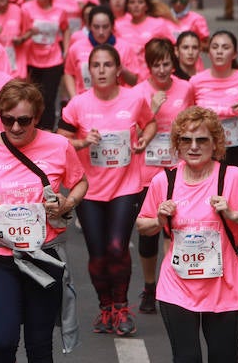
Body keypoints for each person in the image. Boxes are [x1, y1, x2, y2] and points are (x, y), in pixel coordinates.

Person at [0, 79, 87, 361]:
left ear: (37, 117)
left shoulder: (59, 146)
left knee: (39, 343)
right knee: (3, 341)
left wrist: (69, 202)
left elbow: (80, 182)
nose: (15, 127)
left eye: (23, 120)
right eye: (8, 120)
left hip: (44, 255)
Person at [136, 106, 238, 362]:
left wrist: (234, 215)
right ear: (177, 144)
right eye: (186, 140)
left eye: (202, 140)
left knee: (223, 357)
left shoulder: (233, 178)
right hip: (177, 286)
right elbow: (142, 225)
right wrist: (159, 218)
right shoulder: (164, 181)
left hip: (224, 288)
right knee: (187, 357)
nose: (194, 146)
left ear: (216, 143)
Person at [58, 44, 157, 336]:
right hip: (88, 190)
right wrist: (83, 141)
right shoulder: (78, 104)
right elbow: (61, 141)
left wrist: (144, 140)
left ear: (118, 70)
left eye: (107, 65)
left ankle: (122, 306)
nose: (101, 71)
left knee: (117, 246)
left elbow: (149, 123)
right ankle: (105, 308)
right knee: (98, 253)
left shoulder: (135, 98)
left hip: (125, 186)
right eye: (96, 66)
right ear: (89, 71)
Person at [130, 38, 194, 314]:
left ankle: (175, 282)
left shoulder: (186, 88)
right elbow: (129, 134)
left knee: (177, 227)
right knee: (149, 233)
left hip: (179, 170)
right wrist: (151, 110)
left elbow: (193, 122)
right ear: (148, 66)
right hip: (148, 172)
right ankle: (149, 285)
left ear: (174, 62)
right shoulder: (138, 92)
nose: (162, 70)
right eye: (156, 65)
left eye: (167, 63)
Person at [188, 31, 238, 178]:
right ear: (209, 52)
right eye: (215, 47)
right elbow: (185, 117)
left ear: (234, 54)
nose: (219, 51)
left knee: (237, 197)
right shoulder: (195, 81)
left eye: (225, 47)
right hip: (204, 146)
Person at [21, 0, 69, 130]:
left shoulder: (60, 11)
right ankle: (33, 127)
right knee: (33, 96)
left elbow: (65, 28)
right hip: (32, 59)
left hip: (53, 60)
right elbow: (22, 32)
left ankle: (47, 129)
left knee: (49, 98)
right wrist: (29, 32)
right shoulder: (26, 8)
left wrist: (66, 49)